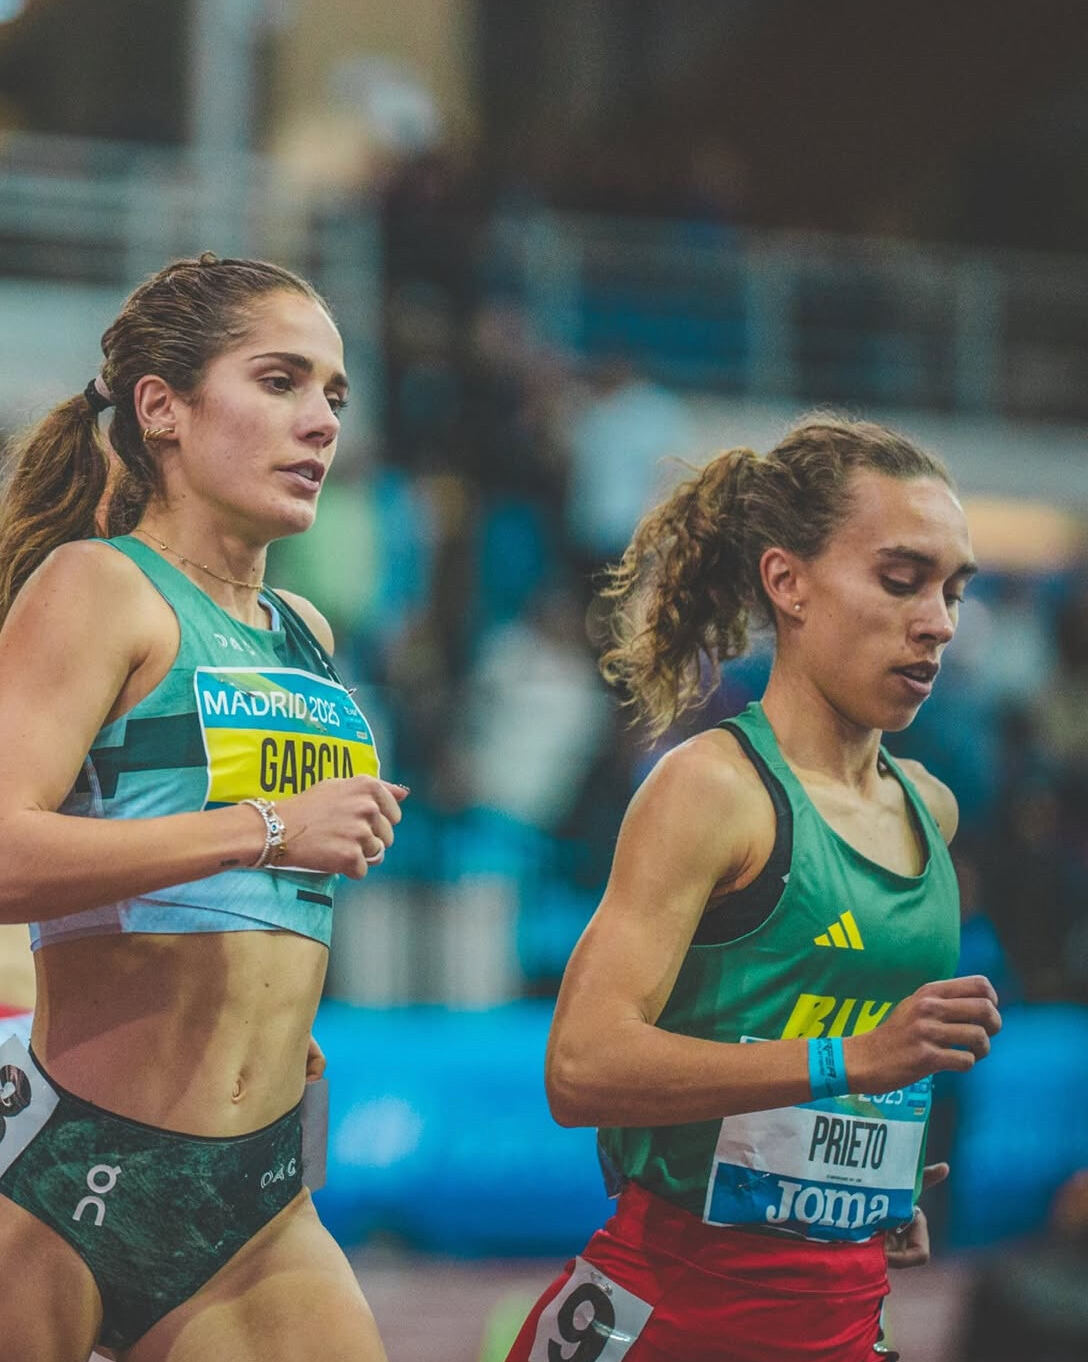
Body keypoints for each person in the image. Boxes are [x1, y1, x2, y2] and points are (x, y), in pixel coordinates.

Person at [503, 415, 1002, 1362]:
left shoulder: (929, 810)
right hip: (667, 1316)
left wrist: (861, 1187)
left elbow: (818, 1062)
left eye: (953, 589)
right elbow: (580, 1067)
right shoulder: (712, 791)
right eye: (901, 579)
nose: (937, 620)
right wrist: (850, 1063)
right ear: (788, 581)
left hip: (841, 1315)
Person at [0, 254, 406, 1361]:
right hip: (60, 1170)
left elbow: (241, 888)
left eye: (334, 395)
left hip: (254, 1194)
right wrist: (272, 830)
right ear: (162, 408)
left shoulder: (305, 633)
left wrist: (269, 1007)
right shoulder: (100, 586)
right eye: (279, 381)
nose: (321, 422)